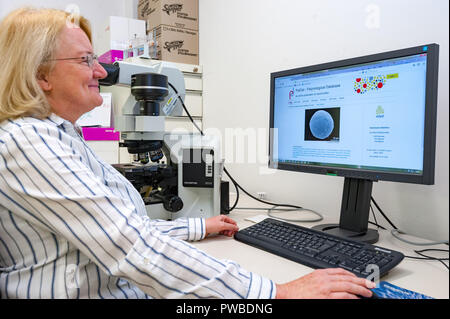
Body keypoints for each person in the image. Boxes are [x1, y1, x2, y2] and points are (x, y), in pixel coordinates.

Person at [0, 7, 375, 299]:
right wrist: (273, 292)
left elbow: (122, 228)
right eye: (84, 60)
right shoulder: (30, 142)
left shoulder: (59, 136)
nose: (100, 70)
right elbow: (132, 248)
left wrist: (198, 226)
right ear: (40, 75)